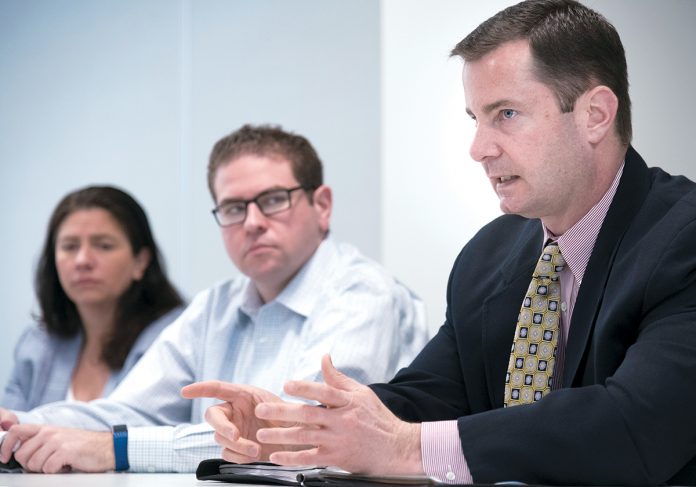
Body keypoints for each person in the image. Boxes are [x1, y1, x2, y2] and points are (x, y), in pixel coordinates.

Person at [181, 1, 696, 485]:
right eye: (476, 119)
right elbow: (427, 399)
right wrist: (290, 430)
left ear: (595, 115)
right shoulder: (488, 256)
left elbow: (637, 423)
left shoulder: (683, 238)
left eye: (506, 115)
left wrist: (408, 449)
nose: (479, 149)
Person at [0, 124, 428, 473]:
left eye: (273, 200)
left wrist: (117, 449)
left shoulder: (363, 294)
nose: (253, 222)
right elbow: (130, 410)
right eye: (233, 208)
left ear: (322, 205)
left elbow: (299, 435)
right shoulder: (214, 307)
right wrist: (22, 424)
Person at [1, 185, 184, 411]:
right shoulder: (37, 345)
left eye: (103, 246)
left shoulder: (175, 338)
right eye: (70, 246)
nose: (82, 260)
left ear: (141, 262)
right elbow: (8, 433)